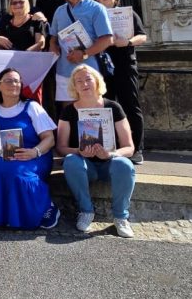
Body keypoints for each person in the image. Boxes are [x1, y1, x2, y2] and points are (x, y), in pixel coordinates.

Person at [0, 68, 59, 230]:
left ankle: (47, 206)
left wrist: (34, 152)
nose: (14, 84)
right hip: (3, 156)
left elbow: (50, 139)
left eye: (17, 81)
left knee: (16, 172)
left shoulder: (32, 107)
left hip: (35, 156)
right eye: (9, 81)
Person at [57, 65, 137, 238]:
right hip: (85, 165)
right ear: (74, 87)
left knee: (124, 163)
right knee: (71, 160)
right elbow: (61, 148)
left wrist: (110, 154)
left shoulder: (114, 107)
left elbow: (130, 148)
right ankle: (86, 211)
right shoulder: (68, 111)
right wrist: (79, 151)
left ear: (97, 82)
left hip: (110, 164)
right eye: (79, 81)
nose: (84, 84)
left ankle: (121, 217)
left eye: (88, 79)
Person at [95, 0, 147, 165]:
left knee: (130, 105)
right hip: (102, 66)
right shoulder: (95, 15)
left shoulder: (128, 14)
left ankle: (137, 148)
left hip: (125, 63)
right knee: (105, 105)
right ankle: (108, 147)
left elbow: (142, 36)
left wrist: (128, 42)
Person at [48, 0, 113, 111]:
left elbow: (107, 39)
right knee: (69, 113)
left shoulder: (97, 9)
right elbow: (53, 37)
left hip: (89, 71)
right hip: (64, 71)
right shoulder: (59, 11)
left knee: (91, 112)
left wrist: (83, 54)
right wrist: (52, 46)